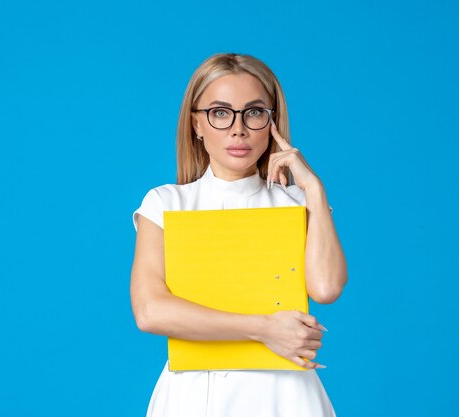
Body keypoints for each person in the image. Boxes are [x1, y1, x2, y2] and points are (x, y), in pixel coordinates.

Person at [130, 53, 348, 416]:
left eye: (254, 112)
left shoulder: (296, 203)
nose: (238, 129)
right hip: (193, 393)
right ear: (195, 124)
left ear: (272, 122)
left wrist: (314, 190)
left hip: (285, 395)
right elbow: (150, 311)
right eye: (220, 112)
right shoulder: (166, 203)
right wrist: (264, 329)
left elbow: (326, 288)